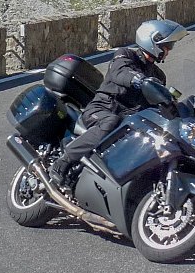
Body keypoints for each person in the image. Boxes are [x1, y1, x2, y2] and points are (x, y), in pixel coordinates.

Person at [48, 18, 187, 190]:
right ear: (153, 41)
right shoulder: (126, 55)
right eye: (167, 46)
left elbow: (155, 104)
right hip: (101, 109)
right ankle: (63, 162)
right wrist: (138, 79)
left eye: (170, 46)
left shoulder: (159, 76)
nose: (168, 50)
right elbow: (120, 72)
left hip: (126, 122)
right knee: (110, 122)